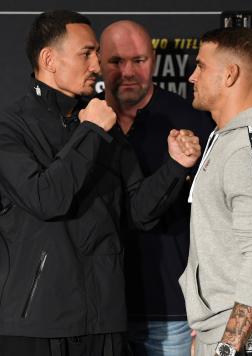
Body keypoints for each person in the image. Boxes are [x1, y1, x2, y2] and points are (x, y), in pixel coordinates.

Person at [0, 10, 201, 356]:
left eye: (96, 53)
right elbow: (46, 198)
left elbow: (139, 212)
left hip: (105, 321)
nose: (97, 65)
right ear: (49, 59)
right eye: (87, 53)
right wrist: (91, 132)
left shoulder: (98, 122)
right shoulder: (11, 128)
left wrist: (174, 167)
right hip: (40, 322)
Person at [99, 20, 214, 356]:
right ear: (97, 62)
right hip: (102, 309)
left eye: (139, 60)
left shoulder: (191, 118)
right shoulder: (84, 122)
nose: (129, 71)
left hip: (171, 308)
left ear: (155, 59)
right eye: (116, 62)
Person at [179, 27, 252, 355]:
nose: (192, 76)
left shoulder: (248, 145)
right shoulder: (228, 138)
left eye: (201, 66)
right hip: (222, 329)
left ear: (230, 74)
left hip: (247, 340)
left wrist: (228, 345)